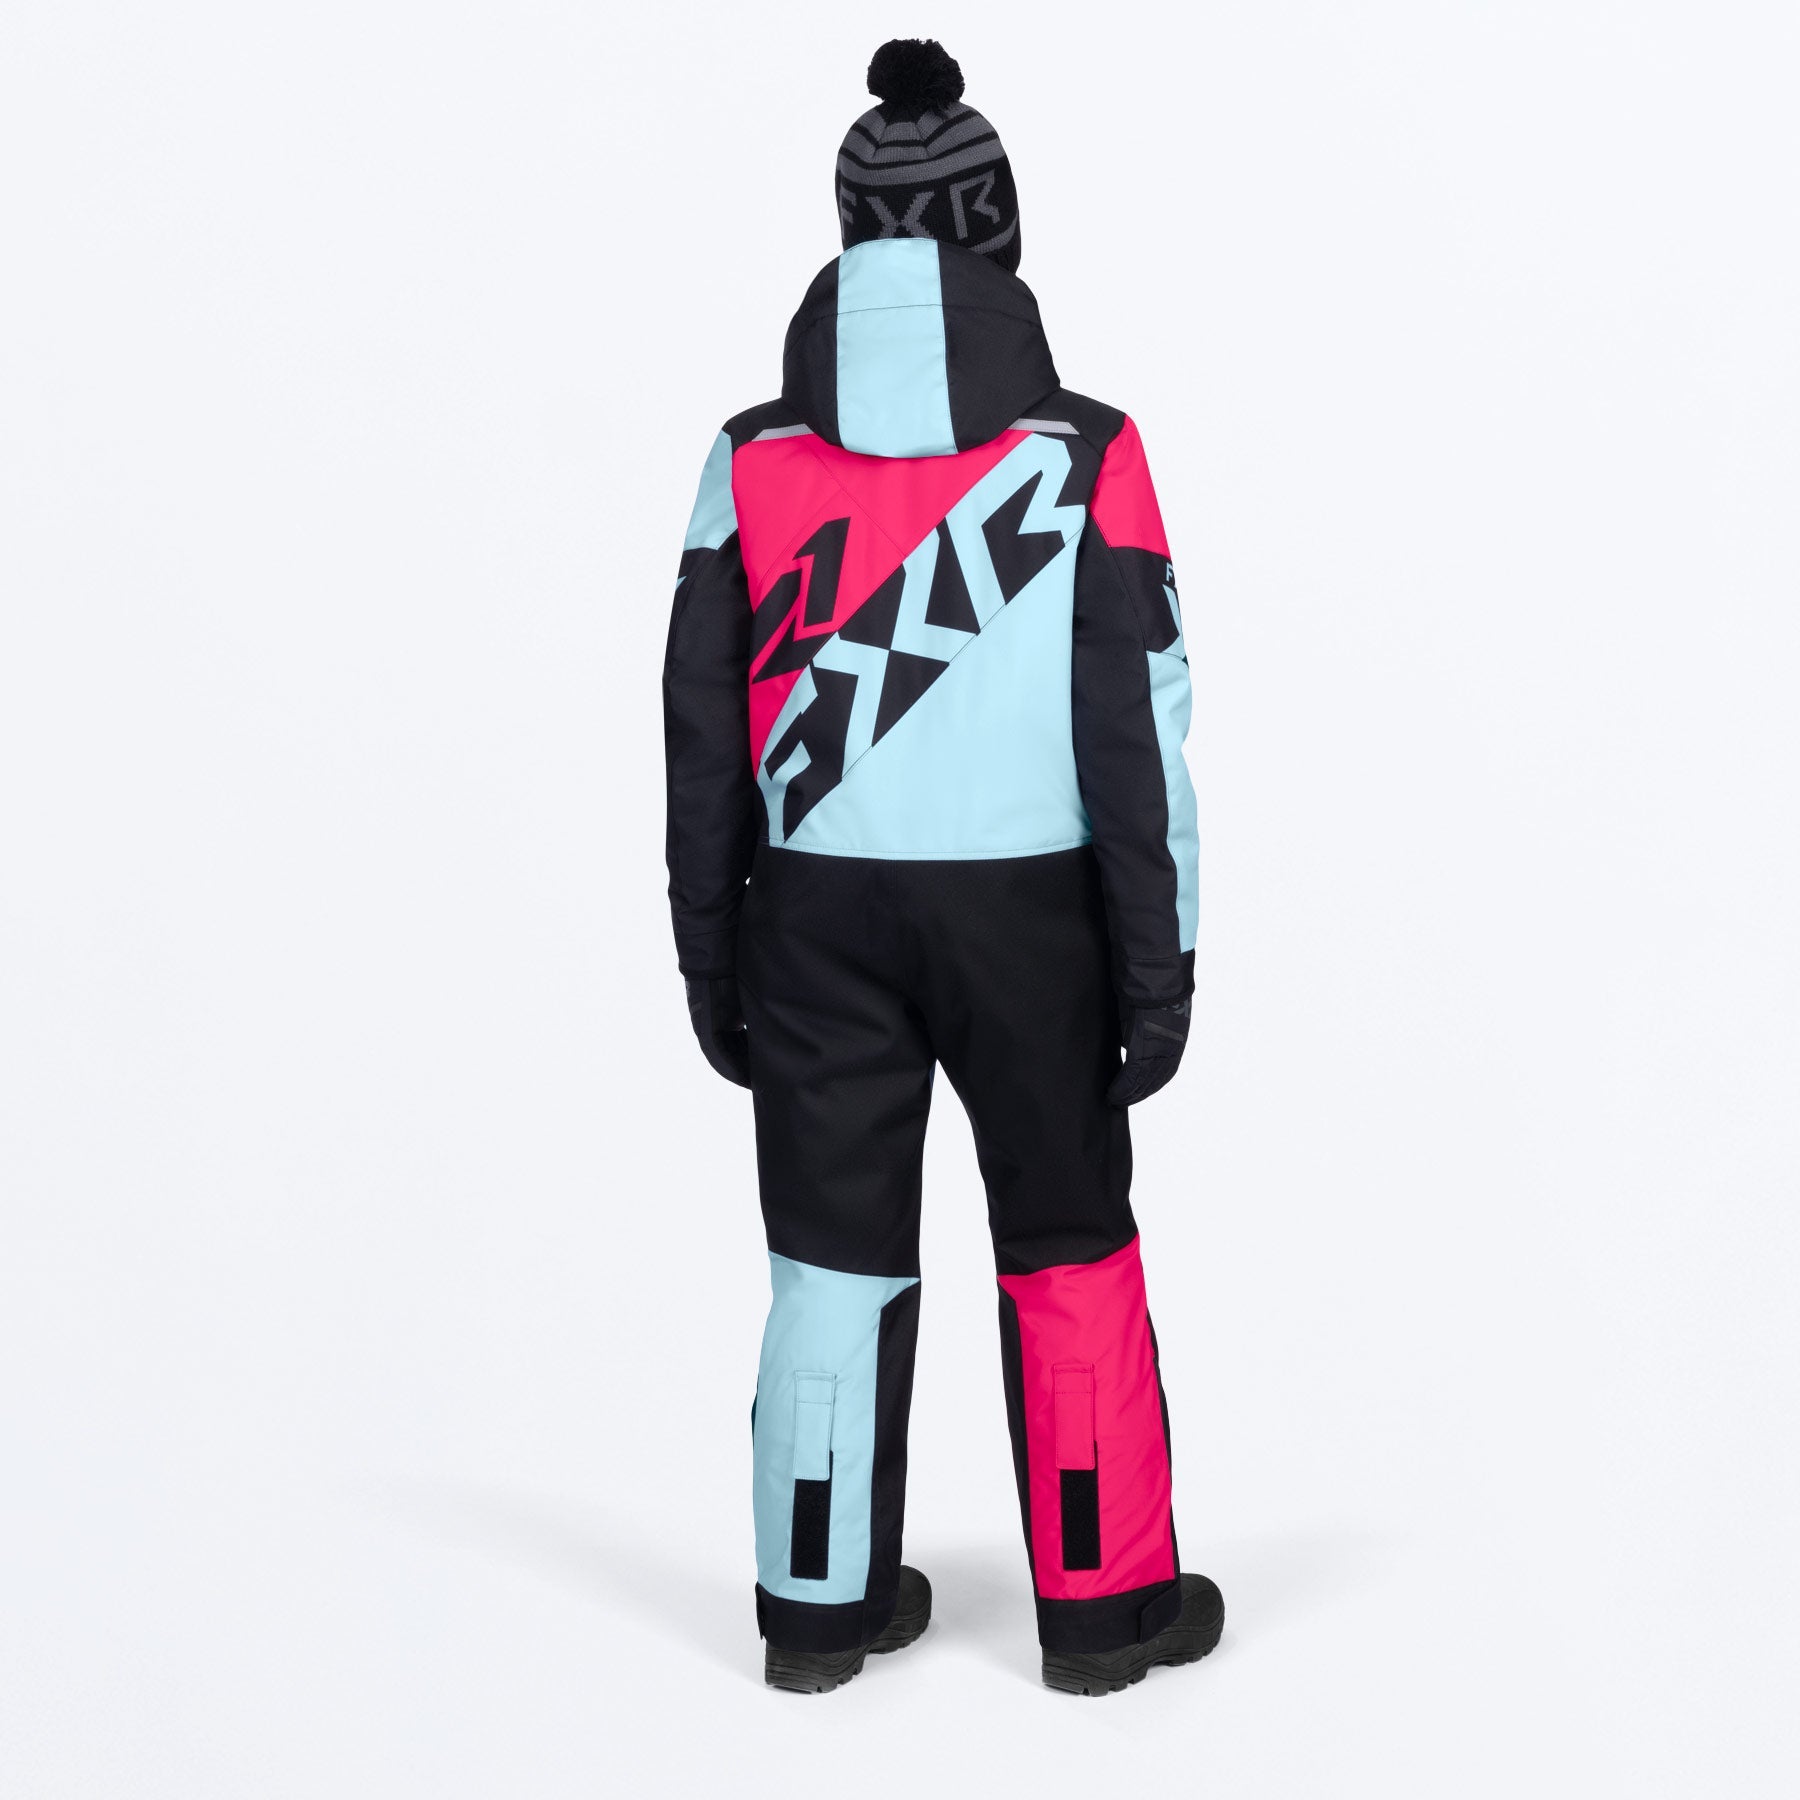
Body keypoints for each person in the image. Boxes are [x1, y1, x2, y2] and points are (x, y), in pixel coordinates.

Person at [662, 38, 1223, 1696]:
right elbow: (1136, 734)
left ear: (850, 238)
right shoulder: (1087, 456)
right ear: (1001, 235)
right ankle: (1103, 1614)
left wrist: (711, 951)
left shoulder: (748, 460)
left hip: (811, 917)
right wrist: (1158, 968)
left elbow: (698, 732)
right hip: (1036, 921)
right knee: (1069, 1246)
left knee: (827, 1261)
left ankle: (817, 1611)